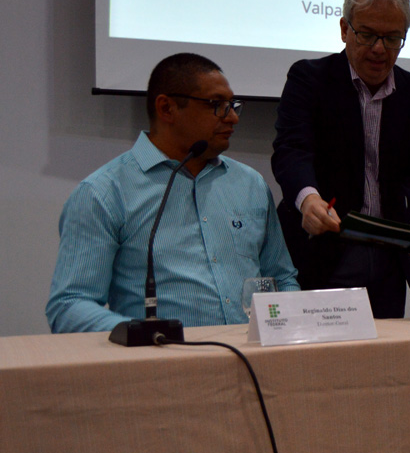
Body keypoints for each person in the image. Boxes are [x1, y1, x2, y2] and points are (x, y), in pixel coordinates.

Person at [46, 54, 299, 333]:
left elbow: (281, 279)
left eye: (233, 104)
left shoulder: (250, 184)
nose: (233, 117)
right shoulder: (103, 193)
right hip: (161, 355)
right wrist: (144, 335)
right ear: (166, 109)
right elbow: (69, 305)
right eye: (216, 105)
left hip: (252, 355)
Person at [272, 0, 410, 318]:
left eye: (392, 38)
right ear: (344, 29)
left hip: (389, 257)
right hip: (323, 250)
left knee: (385, 349)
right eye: (367, 34)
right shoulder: (309, 79)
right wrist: (309, 200)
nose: (379, 48)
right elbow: (292, 149)